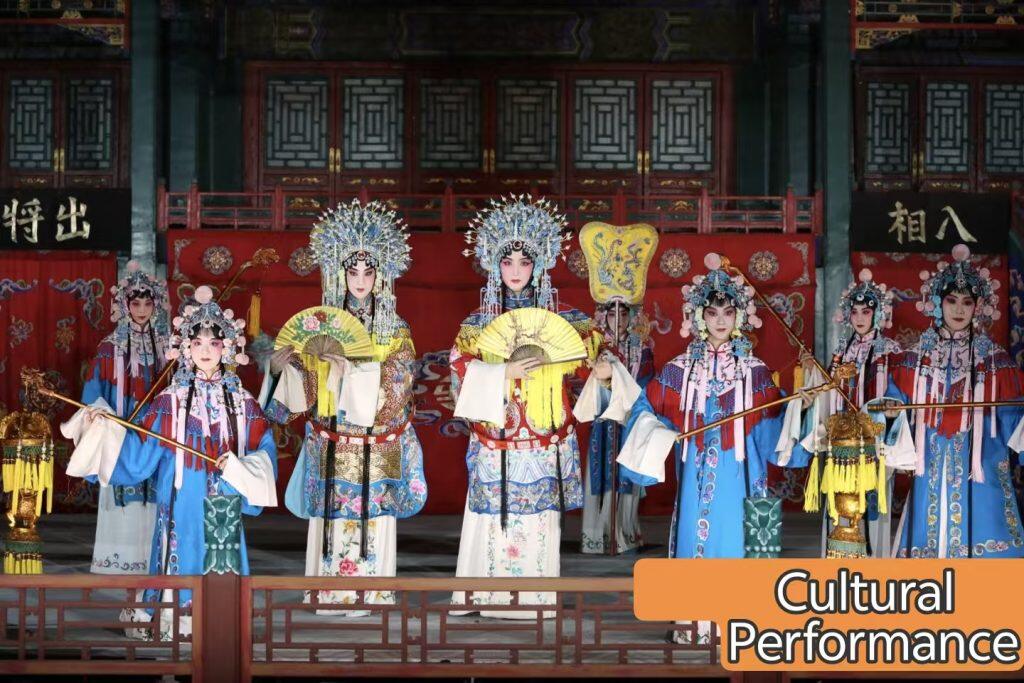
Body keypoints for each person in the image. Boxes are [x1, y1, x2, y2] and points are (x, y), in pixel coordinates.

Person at [614, 253, 810, 643]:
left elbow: (773, 426)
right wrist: (654, 426)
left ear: (739, 317)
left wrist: (798, 409)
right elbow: (645, 409)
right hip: (697, 478)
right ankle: (696, 622)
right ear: (699, 316)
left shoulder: (754, 372)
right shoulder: (679, 370)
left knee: (739, 538)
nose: (720, 320)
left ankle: (741, 624)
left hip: (742, 477)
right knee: (695, 538)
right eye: (712, 311)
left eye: (728, 312)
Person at [66, 285, 277, 639]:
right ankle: (173, 618)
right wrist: (104, 429)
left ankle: (222, 619)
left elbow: (263, 451)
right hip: (180, 499)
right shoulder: (170, 401)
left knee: (220, 553)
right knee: (179, 549)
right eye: (197, 343)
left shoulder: (243, 402)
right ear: (185, 348)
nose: (205, 351)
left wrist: (239, 468)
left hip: (223, 499)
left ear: (227, 347)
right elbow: (139, 454)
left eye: (214, 343)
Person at [264, 199, 426, 612]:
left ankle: (374, 592)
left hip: (375, 443)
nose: (360, 281)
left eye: (368, 272)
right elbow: (305, 390)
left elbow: (399, 385)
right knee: (330, 521)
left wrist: (351, 371)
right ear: (339, 273)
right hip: (331, 441)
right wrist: (283, 370)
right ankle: (328, 592)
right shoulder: (321, 323)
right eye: (352, 272)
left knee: (374, 522)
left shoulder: (395, 328)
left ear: (381, 275)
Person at [450, 195, 600, 618]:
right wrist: (503, 372)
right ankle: (483, 595)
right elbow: (459, 370)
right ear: (493, 265)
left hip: (542, 436)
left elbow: (591, 363)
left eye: (524, 262)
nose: (515, 271)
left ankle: (533, 600)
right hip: (495, 438)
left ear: (540, 265)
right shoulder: (477, 323)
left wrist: (603, 365)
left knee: (539, 521)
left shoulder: (568, 319)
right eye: (507, 261)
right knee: (490, 517)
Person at [882, 244, 1024, 558]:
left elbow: (1014, 415)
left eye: (967, 302)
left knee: (986, 532)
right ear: (938, 303)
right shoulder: (917, 357)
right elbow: (893, 401)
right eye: (951, 300)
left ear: (978, 307)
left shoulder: (995, 360)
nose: (959, 309)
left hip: (981, 464)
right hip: (931, 459)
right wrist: (891, 412)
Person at [777, 268, 913, 557]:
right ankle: (837, 563)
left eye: (866, 311)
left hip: (872, 443)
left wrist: (889, 411)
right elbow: (828, 393)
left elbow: (897, 394)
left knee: (871, 507)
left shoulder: (890, 351)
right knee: (837, 506)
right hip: (840, 443)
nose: (860, 318)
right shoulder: (842, 351)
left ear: (878, 314)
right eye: (855, 312)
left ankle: (872, 565)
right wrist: (813, 375)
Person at [80, 262, 170, 575]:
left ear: (156, 305)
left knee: (157, 491)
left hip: (155, 430)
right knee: (122, 489)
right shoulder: (110, 348)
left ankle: (155, 563)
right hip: (121, 430)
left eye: (147, 303)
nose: (142, 310)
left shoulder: (168, 349)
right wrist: (99, 413)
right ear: (125, 305)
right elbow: (94, 392)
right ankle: (118, 564)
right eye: (136, 303)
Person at [575, 222, 658, 555]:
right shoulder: (595, 347)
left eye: (625, 313)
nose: (618, 319)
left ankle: (624, 531)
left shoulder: (642, 347)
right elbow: (585, 387)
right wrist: (604, 380)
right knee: (602, 474)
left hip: (630, 421)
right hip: (603, 421)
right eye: (612, 313)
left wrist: (626, 389)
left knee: (626, 476)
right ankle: (597, 534)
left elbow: (646, 384)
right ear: (604, 316)